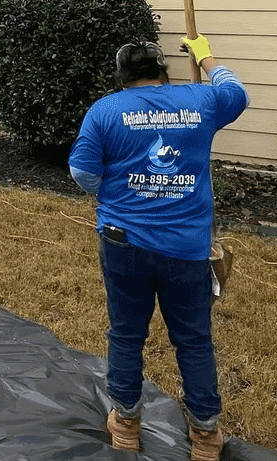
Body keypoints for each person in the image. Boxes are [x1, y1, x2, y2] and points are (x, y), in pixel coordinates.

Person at [68, 35, 249, 461]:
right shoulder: (201, 101)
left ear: (121, 76)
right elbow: (237, 93)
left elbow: (81, 172)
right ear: (163, 70)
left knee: (127, 333)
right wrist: (206, 58)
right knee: (194, 340)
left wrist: (112, 190)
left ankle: (127, 425)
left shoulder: (105, 110)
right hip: (186, 248)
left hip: (123, 242)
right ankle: (205, 436)